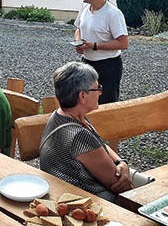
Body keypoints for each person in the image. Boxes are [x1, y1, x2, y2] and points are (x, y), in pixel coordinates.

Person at [40, 61, 132, 203]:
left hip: (66, 195)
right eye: (97, 88)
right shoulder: (78, 135)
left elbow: (98, 145)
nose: (101, 92)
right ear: (83, 96)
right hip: (88, 204)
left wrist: (121, 162)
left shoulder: (62, 115)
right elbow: (117, 184)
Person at [74, 0, 128, 151]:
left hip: (108, 66)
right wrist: (79, 42)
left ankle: (112, 151)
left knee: (108, 108)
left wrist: (95, 46)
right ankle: (90, 145)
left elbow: (123, 43)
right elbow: (78, 28)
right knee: (84, 103)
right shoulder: (84, 7)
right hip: (87, 64)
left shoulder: (113, 14)